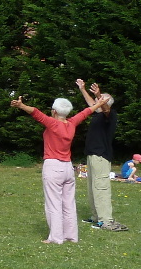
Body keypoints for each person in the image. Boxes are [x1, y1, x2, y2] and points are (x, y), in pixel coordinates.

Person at [10, 92, 109, 244]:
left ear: (54, 111)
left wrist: (21, 105)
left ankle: (56, 238)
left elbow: (36, 113)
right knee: (69, 204)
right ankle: (71, 236)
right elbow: (85, 112)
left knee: (53, 203)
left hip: (53, 167)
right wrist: (99, 103)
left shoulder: (53, 123)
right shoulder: (71, 123)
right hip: (68, 168)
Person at [76, 80, 127, 231]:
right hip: (92, 155)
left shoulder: (110, 115)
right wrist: (83, 89)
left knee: (101, 188)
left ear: (106, 102)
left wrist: (99, 94)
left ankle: (106, 221)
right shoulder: (97, 113)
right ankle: (96, 218)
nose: (97, 100)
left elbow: (105, 109)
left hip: (101, 156)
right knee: (92, 187)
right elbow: (93, 105)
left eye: (101, 99)